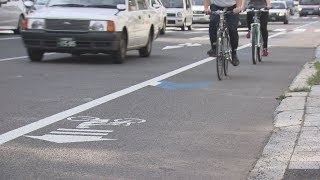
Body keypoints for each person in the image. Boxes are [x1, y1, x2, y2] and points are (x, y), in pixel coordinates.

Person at [204, 0, 243, 66]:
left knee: (232, 29)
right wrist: (206, 8)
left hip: (231, 7)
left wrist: (238, 7)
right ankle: (214, 47)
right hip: (216, 6)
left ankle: (234, 53)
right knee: (213, 23)